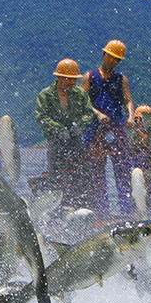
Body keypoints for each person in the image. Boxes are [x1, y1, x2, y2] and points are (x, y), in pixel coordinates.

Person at [86, 39, 138, 214]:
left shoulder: (121, 79)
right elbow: (83, 102)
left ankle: (126, 210)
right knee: (96, 171)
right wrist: (98, 114)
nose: (113, 61)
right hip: (95, 129)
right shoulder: (90, 77)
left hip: (116, 128)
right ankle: (102, 211)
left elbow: (128, 100)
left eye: (117, 59)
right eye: (111, 57)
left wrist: (131, 116)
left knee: (123, 170)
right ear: (104, 55)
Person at [35, 58, 94, 211]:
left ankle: (83, 205)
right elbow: (41, 117)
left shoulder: (80, 94)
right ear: (60, 77)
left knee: (83, 174)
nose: (71, 82)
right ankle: (57, 209)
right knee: (56, 176)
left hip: (76, 141)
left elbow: (88, 114)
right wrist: (58, 129)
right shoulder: (45, 95)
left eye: (74, 79)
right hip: (56, 142)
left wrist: (78, 126)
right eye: (68, 79)